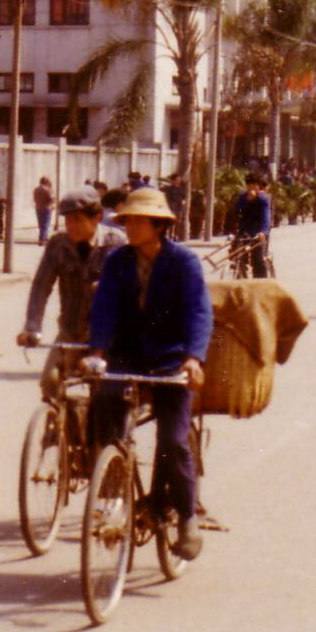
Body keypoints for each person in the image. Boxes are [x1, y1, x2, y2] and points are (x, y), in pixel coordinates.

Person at [83, 188, 211, 561]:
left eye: (138, 221)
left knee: (172, 442)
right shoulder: (117, 261)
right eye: (128, 221)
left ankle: (187, 516)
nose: (131, 227)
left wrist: (194, 358)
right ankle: (113, 474)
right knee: (104, 400)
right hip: (127, 356)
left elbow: (199, 313)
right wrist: (97, 352)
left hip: (172, 361)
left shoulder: (184, 262)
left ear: (158, 226)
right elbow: (104, 309)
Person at [18, 187, 127, 400]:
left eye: (77, 220)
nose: (71, 227)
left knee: (105, 395)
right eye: (67, 221)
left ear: (97, 218)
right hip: (70, 332)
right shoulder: (58, 244)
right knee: (50, 382)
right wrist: (32, 326)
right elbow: (41, 287)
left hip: (107, 337)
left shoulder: (116, 243)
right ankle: (61, 428)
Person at [232, 174, 272, 277]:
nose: (251, 188)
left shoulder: (263, 199)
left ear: (258, 186)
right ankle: (240, 273)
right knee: (235, 252)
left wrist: (263, 232)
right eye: (249, 185)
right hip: (244, 230)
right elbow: (237, 211)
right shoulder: (242, 197)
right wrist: (246, 201)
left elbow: (266, 217)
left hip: (259, 232)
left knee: (257, 258)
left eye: (254, 185)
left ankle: (260, 283)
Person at [32, 177, 54, 246]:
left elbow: (34, 198)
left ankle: (44, 237)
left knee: (41, 224)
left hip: (38, 208)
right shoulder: (47, 189)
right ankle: (42, 239)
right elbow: (52, 198)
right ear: (46, 182)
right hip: (46, 208)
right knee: (45, 224)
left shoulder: (36, 189)